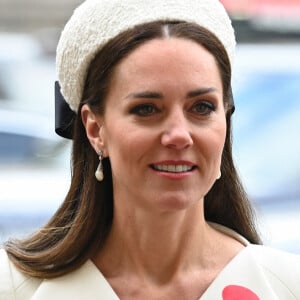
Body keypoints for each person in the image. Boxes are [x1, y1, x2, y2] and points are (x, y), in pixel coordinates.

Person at [1, 0, 300, 299]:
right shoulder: (14, 288)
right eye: (146, 109)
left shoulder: (286, 285)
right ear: (95, 129)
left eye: (202, 107)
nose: (179, 135)